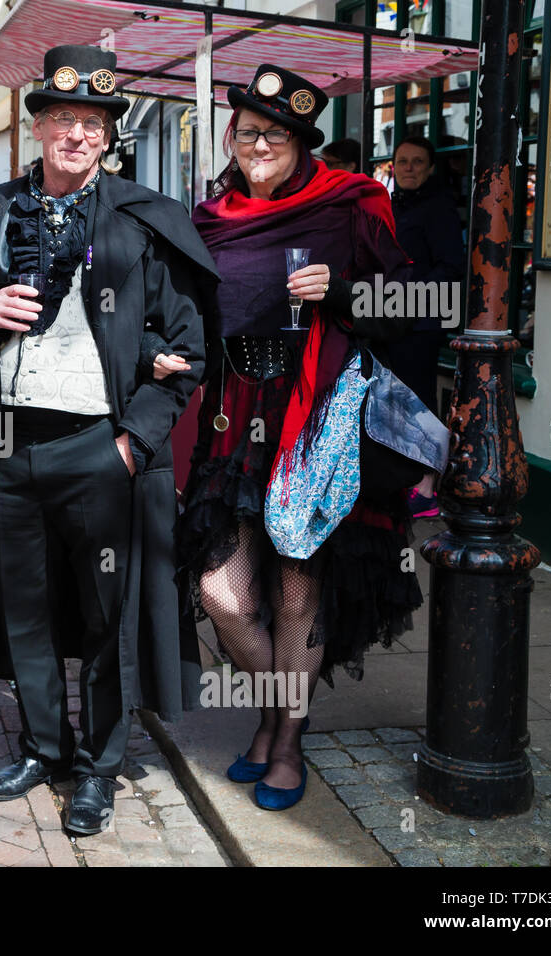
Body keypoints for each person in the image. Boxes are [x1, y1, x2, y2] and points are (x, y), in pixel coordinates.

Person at [0, 44, 217, 835]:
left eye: (91, 122)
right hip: (9, 447)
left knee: (104, 617)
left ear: (107, 135)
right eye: (61, 118)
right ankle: (42, 746)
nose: (75, 135)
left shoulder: (142, 221)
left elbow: (189, 351)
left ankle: (97, 767)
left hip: (100, 449)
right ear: (39, 129)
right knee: (23, 607)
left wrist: (132, 444)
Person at [181, 65, 422, 811]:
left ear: (301, 144)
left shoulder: (351, 204)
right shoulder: (207, 217)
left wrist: (344, 293)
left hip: (312, 416)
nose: (259, 145)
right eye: (249, 131)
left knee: (295, 590)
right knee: (222, 593)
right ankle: (281, 712)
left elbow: (410, 306)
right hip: (232, 420)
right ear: (232, 135)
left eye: (276, 135)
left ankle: (284, 741)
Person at [389, 135, 465, 518]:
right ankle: (404, 479)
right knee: (396, 402)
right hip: (389, 320)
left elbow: (451, 266)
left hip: (421, 321)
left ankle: (427, 485)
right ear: (392, 166)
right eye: (402, 161)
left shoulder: (438, 209)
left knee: (419, 403)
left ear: (430, 168)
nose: (409, 168)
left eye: (417, 162)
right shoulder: (393, 205)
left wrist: (406, 295)